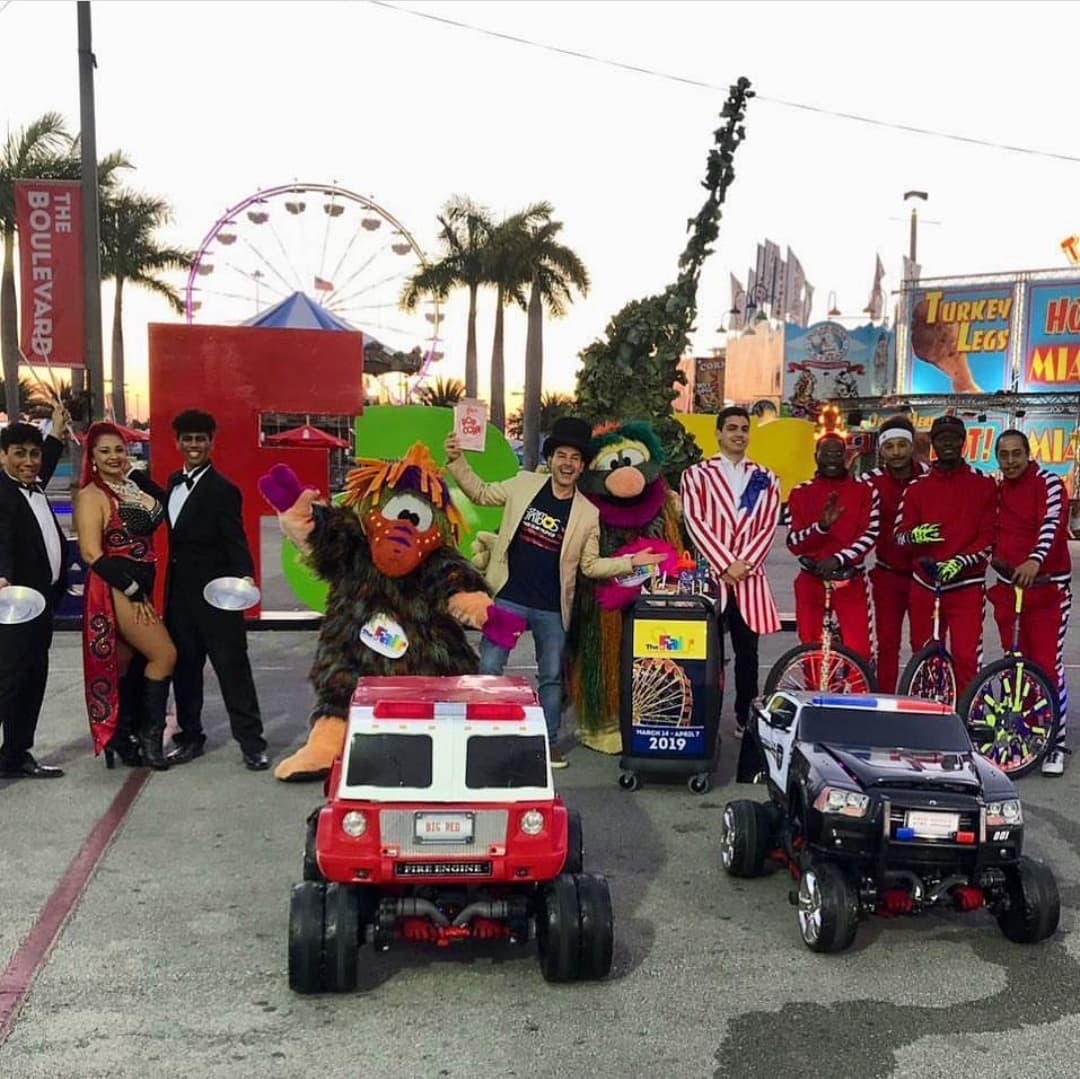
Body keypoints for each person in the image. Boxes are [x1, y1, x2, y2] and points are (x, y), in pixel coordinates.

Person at [444, 416, 663, 768]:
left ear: (581, 466)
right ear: (551, 458)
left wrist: (632, 562)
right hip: (510, 598)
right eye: (562, 455)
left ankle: (548, 741)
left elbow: (590, 566)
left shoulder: (588, 513)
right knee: (489, 666)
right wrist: (457, 461)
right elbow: (481, 493)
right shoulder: (523, 483)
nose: (568, 463)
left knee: (550, 677)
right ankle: (480, 734)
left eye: (575, 458)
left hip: (551, 609)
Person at [163, 410, 268, 771]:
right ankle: (190, 737)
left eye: (200, 439)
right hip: (179, 601)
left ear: (211, 442)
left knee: (233, 671)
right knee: (186, 672)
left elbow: (235, 538)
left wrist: (246, 576)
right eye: (187, 439)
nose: (194, 445)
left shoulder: (224, 489)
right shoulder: (172, 483)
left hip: (217, 599)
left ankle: (252, 743)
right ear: (177, 443)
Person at [75, 422, 176, 769]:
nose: (114, 456)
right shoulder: (92, 496)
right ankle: (150, 742)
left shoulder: (131, 487)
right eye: (104, 451)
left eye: (119, 449)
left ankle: (122, 735)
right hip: (118, 587)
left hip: (143, 584)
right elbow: (91, 553)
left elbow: (162, 502)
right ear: (92, 457)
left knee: (125, 663)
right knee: (164, 654)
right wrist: (132, 591)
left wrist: (134, 474)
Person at [680, 406, 781, 737]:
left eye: (744, 428)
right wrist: (725, 564)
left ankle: (745, 717)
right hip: (712, 576)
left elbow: (767, 526)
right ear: (719, 433)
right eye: (732, 428)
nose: (739, 434)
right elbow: (696, 522)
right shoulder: (696, 475)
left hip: (749, 579)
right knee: (706, 653)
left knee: (747, 655)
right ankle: (702, 718)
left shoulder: (766, 477)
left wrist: (744, 564)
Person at [991, 429, 1072, 776]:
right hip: (1010, 588)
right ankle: (1026, 730)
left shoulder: (1049, 484)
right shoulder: (998, 490)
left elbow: (1052, 525)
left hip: (1047, 588)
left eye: (1016, 454)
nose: (1010, 461)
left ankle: (1055, 740)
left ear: (1028, 453)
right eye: (1004, 455)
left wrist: (1035, 560)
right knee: (1015, 663)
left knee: (1045, 663)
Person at [896, 415, 995, 693]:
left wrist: (961, 561)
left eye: (954, 437)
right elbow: (899, 535)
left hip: (966, 586)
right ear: (933, 444)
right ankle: (925, 711)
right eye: (941, 438)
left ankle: (965, 717)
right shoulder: (916, 488)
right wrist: (915, 536)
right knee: (923, 654)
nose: (948, 442)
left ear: (963, 442)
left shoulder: (984, 485)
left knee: (966, 658)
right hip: (926, 584)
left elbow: (989, 537)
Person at [0, 402, 69, 779]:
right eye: (19, 454)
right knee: (7, 682)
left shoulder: (35, 484)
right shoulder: (2, 493)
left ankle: (15, 754)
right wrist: (2, 576)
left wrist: (56, 428)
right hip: (12, 605)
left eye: (34, 453)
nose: (29, 461)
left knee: (31, 681)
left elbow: (49, 456)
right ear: (2, 456)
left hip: (41, 606)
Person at [786, 433, 879, 663]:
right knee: (810, 650)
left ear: (846, 456)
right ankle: (815, 697)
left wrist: (839, 559)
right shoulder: (799, 493)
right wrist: (821, 527)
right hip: (811, 580)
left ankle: (859, 696)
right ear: (815, 457)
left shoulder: (866, 490)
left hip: (850, 581)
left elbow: (871, 534)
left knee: (860, 652)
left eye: (838, 454)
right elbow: (794, 543)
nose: (832, 459)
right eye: (826, 453)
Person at [859, 416, 929, 693]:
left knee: (924, 644)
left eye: (903, 445)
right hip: (888, 576)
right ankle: (885, 700)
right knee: (887, 644)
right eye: (890, 446)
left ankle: (923, 701)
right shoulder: (869, 482)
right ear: (882, 450)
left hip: (925, 577)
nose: (897, 452)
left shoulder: (929, 476)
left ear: (912, 446)